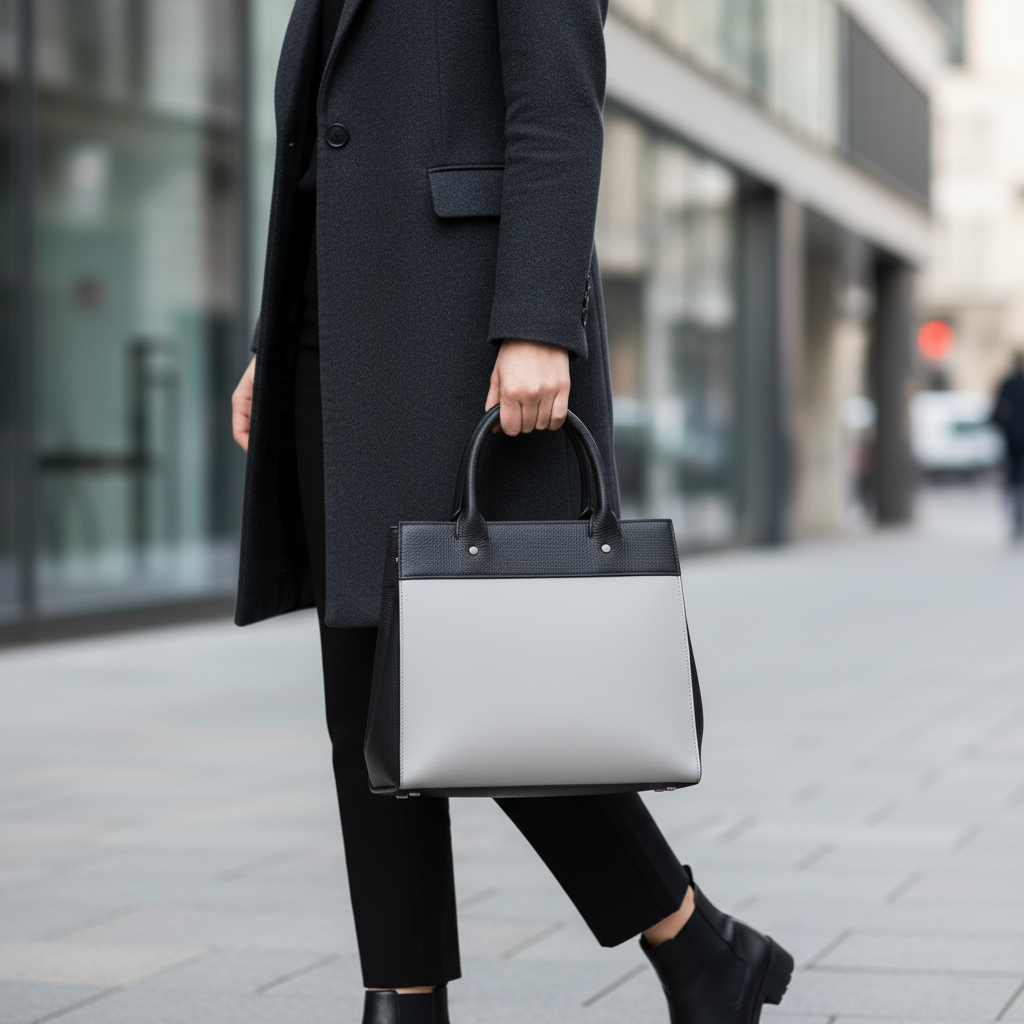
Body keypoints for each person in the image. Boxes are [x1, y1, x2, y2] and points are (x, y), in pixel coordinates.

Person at [231, 2, 794, 1022]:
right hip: (337, 326)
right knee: (369, 699)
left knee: (489, 680)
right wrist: (278, 337)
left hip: (459, 322)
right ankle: (413, 996)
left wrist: (538, 318)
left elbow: (558, 108)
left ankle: (697, 945)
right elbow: (321, 131)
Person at [993, 352, 1024, 539]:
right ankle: (1017, 515)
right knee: (1016, 476)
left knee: (1014, 477)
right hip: (1014, 437)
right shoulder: (1009, 383)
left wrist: (1005, 427)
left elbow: (997, 411)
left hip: (1012, 437)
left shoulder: (1008, 384)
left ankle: (1017, 515)